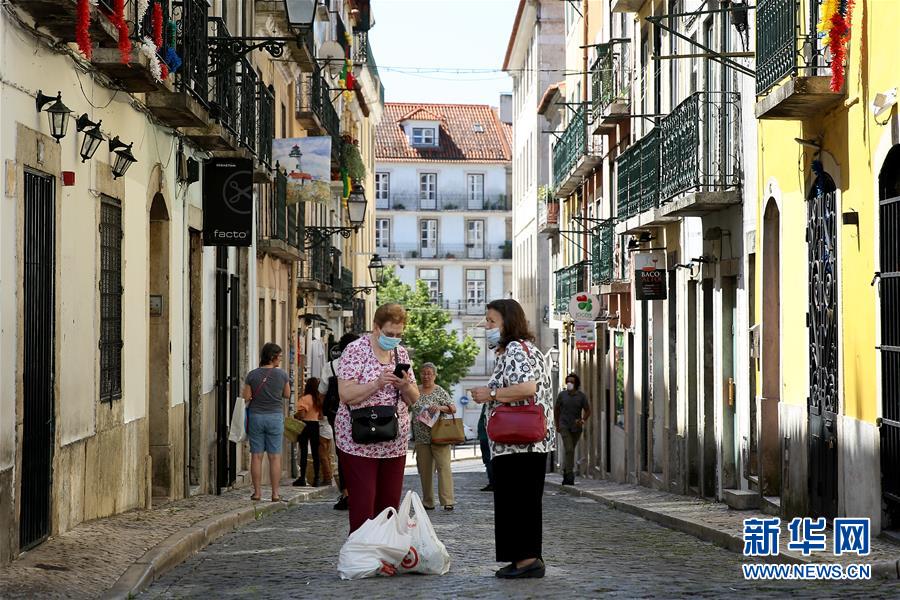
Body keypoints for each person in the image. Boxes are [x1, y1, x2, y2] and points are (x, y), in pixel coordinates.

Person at [471, 299, 554, 579]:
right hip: (522, 442)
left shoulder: (517, 349)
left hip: (519, 442)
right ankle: (522, 558)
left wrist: (491, 394)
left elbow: (527, 388)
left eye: (492, 321)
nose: (487, 326)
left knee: (518, 502)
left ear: (508, 322)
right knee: (518, 501)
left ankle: (528, 560)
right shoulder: (523, 349)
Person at [336, 303, 420, 533]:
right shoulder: (356, 350)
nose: (394, 339)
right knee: (364, 503)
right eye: (389, 333)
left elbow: (414, 398)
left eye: (398, 334)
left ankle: (386, 549)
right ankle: (362, 550)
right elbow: (346, 394)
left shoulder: (400, 353)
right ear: (376, 328)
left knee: (389, 504)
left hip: (393, 441)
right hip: (358, 440)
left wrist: (405, 386)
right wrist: (377, 384)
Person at [243, 342, 291, 502]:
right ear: (272, 357)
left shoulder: (252, 375)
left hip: (256, 417)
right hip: (275, 417)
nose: (281, 359)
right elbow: (287, 395)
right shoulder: (282, 375)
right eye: (280, 356)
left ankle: (257, 493)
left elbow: (246, 397)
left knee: (256, 456)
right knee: (274, 457)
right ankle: (275, 494)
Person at [320, 333, 359, 510]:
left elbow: (322, 392)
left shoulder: (331, 366)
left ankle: (346, 493)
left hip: (337, 414)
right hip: (361, 414)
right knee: (363, 451)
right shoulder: (364, 364)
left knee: (342, 454)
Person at [411, 362, 456, 511]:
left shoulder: (439, 391)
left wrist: (440, 407)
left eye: (429, 373)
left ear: (435, 375)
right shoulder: (415, 390)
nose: (426, 376)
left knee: (444, 468)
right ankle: (428, 501)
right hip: (421, 437)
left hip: (439, 436)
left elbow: (453, 408)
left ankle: (447, 501)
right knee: (425, 471)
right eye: (423, 373)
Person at [555, 372, 592, 486]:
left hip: (576, 428)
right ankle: (569, 475)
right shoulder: (562, 395)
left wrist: (582, 420)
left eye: (571, 382)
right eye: (568, 381)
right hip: (564, 426)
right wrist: (557, 424)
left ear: (576, 384)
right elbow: (557, 410)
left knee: (570, 451)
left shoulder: (581, 396)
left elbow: (588, 410)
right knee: (569, 449)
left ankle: (566, 471)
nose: (569, 383)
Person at [293, 377, 323, 487]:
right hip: (315, 425)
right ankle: (317, 478)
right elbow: (321, 416)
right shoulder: (318, 399)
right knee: (316, 453)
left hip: (305, 425)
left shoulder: (305, 399)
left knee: (304, 452)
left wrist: (295, 415)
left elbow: (302, 415)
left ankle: (302, 478)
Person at [477, 402, 494, 492]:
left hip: (487, 437)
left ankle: (493, 483)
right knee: (488, 460)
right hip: (485, 436)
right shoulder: (487, 405)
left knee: (489, 461)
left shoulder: (490, 405)